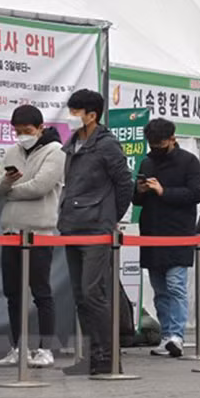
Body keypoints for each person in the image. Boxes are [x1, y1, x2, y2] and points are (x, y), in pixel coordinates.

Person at [59, 89, 133, 376]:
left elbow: (124, 184)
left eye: (76, 112)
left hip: (96, 227)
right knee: (79, 294)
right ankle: (92, 355)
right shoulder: (72, 144)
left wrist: (110, 217)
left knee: (94, 293)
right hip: (72, 224)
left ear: (92, 115)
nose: (71, 117)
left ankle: (108, 357)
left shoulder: (107, 145)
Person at [0, 105, 65, 369]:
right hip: (11, 231)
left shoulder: (55, 152)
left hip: (39, 232)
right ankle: (17, 347)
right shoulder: (12, 152)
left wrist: (9, 189)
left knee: (41, 292)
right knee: (13, 293)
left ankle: (46, 348)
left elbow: (41, 186)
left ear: (40, 128)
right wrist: (6, 184)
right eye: (18, 131)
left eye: (28, 131)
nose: (22, 136)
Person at [133, 118, 200, 358]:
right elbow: (137, 200)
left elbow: (196, 193)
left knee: (175, 286)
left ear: (173, 139)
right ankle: (166, 336)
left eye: (160, 143)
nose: (156, 149)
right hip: (152, 232)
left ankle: (177, 335)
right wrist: (140, 191)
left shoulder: (189, 162)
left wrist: (164, 192)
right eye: (152, 144)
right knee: (159, 289)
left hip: (178, 233)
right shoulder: (147, 161)